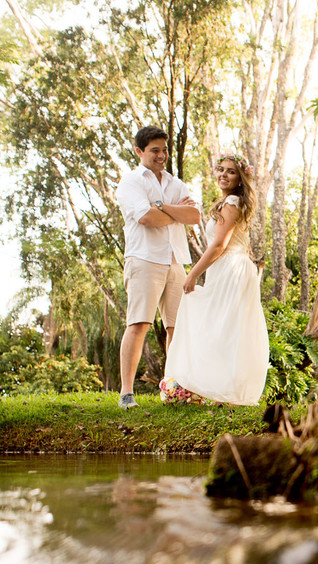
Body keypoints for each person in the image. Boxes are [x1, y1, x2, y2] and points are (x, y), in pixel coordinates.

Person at [160, 153, 269, 406]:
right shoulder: (230, 203)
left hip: (231, 269)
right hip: (228, 269)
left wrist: (193, 274)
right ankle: (218, 389)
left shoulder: (232, 202)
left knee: (224, 327)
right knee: (226, 328)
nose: (223, 175)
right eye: (221, 169)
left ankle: (224, 390)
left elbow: (219, 244)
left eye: (231, 171)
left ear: (240, 178)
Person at [115, 126, 201, 409]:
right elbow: (146, 218)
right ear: (139, 151)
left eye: (164, 150)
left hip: (175, 260)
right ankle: (127, 393)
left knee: (177, 327)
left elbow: (194, 216)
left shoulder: (176, 184)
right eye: (155, 150)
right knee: (139, 323)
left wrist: (161, 206)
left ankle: (173, 390)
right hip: (144, 258)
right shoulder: (130, 182)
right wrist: (175, 212)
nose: (162, 155)